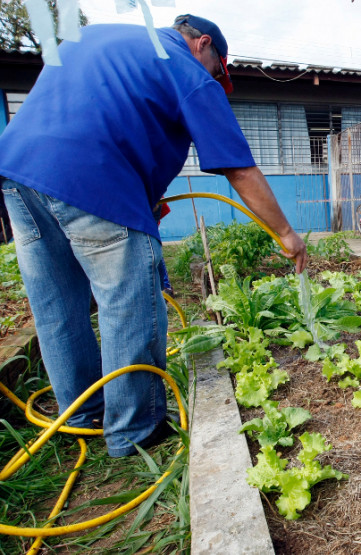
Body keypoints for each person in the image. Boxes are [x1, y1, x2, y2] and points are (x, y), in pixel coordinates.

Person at [0, 15, 307, 457]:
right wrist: (286, 233)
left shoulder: (96, 35)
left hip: (19, 176)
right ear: (203, 45)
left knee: (57, 308)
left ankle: (79, 419)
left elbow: (102, 115)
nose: (215, 81)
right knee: (128, 304)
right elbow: (238, 167)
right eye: (218, 71)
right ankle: (133, 432)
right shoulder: (184, 67)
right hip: (96, 180)